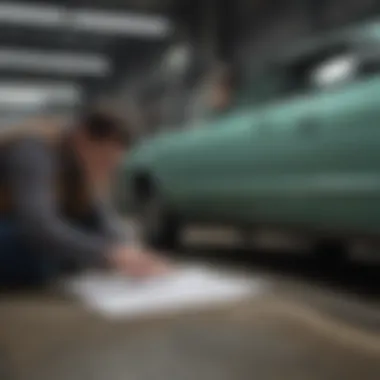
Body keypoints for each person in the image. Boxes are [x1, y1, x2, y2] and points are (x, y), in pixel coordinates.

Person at [0, 109, 170, 288]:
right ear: (82, 139)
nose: (105, 168)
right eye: (104, 159)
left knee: (85, 236)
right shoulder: (33, 150)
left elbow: (102, 218)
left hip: (27, 226)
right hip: (10, 225)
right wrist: (107, 254)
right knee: (29, 250)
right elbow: (38, 224)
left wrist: (130, 251)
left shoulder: (78, 164)